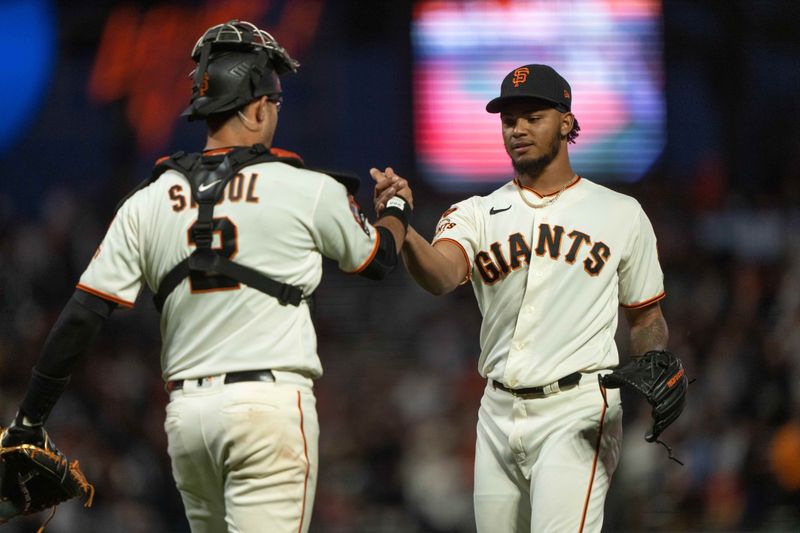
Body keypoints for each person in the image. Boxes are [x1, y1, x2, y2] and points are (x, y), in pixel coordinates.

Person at [2, 20, 413, 533]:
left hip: (189, 419)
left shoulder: (148, 200)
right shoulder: (306, 187)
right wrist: (395, 206)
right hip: (268, 407)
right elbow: (378, 261)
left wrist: (29, 419)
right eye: (276, 102)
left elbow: (82, 316)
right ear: (259, 104)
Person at [372, 64, 671, 532]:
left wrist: (656, 361)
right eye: (509, 119)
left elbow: (644, 316)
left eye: (533, 115)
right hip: (496, 412)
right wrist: (404, 226)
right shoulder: (474, 212)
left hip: (577, 408)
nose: (519, 129)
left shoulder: (621, 213)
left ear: (567, 122)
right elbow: (441, 276)